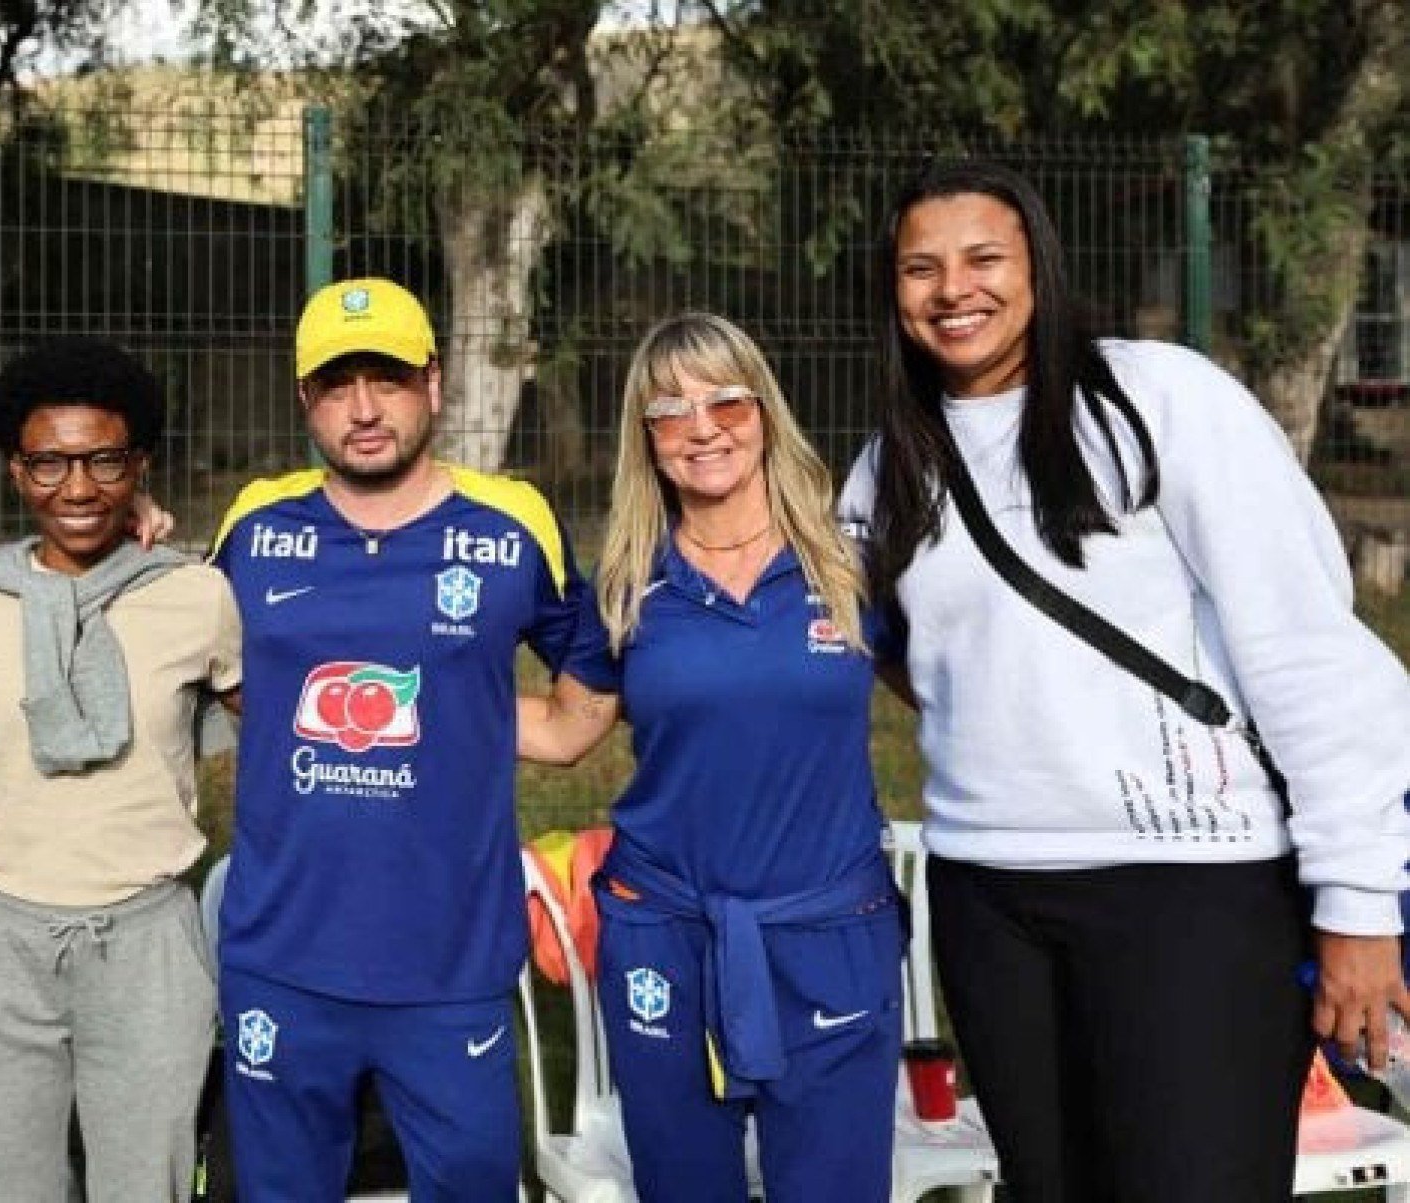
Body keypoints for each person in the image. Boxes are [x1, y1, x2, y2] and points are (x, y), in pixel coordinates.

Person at [838, 159, 1410, 1201]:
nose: (951, 288)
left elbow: (1306, 650)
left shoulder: (1161, 398)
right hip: (990, 897)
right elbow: (905, 656)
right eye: (920, 268)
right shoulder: (887, 467)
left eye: (982, 259)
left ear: (1039, 272)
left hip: (1190, 892)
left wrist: (1358, 900)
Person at [208, 276, 584, 1201]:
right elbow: (198, 663)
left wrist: (478, 728)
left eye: (389, 379)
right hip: (282, 957)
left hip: (450, 963)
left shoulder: (513, 524)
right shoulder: (254, 527)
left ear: (435, 383)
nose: (365, 409)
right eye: (337, 385)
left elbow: (586, 691)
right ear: (307, 399)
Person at [518, 312, 906, 1202]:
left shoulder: (852, 565)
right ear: (645, 439)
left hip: (831, 933)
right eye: (670, 409)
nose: (702, 426)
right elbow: (569, 729)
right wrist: (405, 694)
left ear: (764, 409)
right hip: (667, 935)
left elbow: (958, 691)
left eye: (725, 399)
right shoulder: (623, 584)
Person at [0, 338, 239, 1202]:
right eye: (50, 462)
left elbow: (284, 739)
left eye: (104, 459)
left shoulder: (197, 593)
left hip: (146, 937)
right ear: (15, 471)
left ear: (139, 463)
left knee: (148, 1182)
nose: (78, 486)